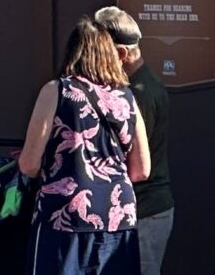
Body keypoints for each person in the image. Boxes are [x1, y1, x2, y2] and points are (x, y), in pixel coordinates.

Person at [20, 15, 149, 275]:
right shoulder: (126, 97)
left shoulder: (56, 91)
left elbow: (29, 164)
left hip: (65, 216)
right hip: (119, 217)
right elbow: (142, 170)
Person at [95, 6, 173, 275]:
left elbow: (136, 165)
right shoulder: (133, 88)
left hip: (145, 214)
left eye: (98, 50)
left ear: (120, 54)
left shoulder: (138, 94)